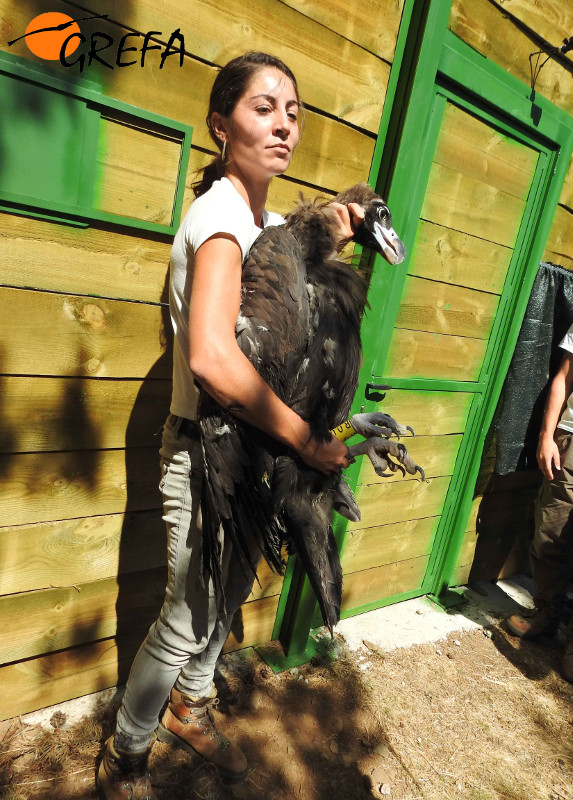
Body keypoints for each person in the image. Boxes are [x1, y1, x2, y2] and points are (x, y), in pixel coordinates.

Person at [97, 52, 364, 799]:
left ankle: (192, 705)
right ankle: (126, 752)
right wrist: (306, 440)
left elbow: (301, 248)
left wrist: (347, 216)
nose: (283, 123)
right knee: (185, 617)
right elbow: (215, 360)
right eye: (263, 107)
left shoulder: (262, 222)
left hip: (250, 456)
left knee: (225, 600)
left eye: (294, 111)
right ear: (221, 126)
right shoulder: (219, 221)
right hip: (205, 453)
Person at [507, 304, 573, 687]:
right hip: (572, 439)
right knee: (549, 533)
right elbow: (564, 377)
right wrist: (548, 436)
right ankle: (546, 614)